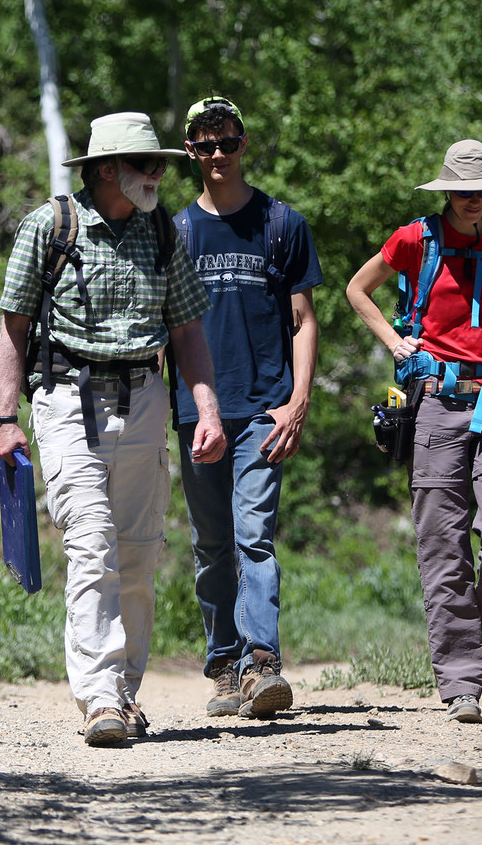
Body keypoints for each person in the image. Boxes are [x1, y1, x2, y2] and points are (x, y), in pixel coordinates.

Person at [0, 112, 227, 747]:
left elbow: (186, 332)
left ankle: (124, 697)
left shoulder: (163, 231)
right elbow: (13, 327)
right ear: (104, 169)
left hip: (146, 398)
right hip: (67, 399)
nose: (158, 174)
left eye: (158, 165)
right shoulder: (51, 225)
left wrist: (206, 410)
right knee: (92, 543)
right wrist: (5, 419)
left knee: (139, 553)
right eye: (145, 164)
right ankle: (99, 697)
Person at [345, 138, 482, 723]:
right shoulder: (415, 238)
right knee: (443, 544)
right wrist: (394, 341)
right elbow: (359, 289)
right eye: (463, 190)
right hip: (434, 402)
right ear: (446, 191)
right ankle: (461, 682)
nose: (473, 199)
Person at [170, 97, 323, 719]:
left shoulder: (281, 223)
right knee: (211, 545)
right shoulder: (175, 231)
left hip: (264, 406)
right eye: (204, 146)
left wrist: (298, 403)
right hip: (195, 411)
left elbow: (304, 320)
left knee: (253, 536)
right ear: (190, 153)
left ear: (243, 143)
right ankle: (224, 668)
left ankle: (263, 665)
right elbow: (165, 329)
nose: (216, 157)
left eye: (226, 143)